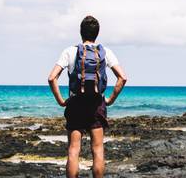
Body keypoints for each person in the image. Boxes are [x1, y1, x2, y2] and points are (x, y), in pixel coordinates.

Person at [48, 15, 127, 178]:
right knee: (97, 149)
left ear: (80, 32)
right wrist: (110, 100)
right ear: (97, 33)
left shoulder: (70, 51)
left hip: (75, 103)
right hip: (97, 103)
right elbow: (122, 77)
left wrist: (61, 101)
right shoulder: (105, 52)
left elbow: (51, 78)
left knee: (73, 150)